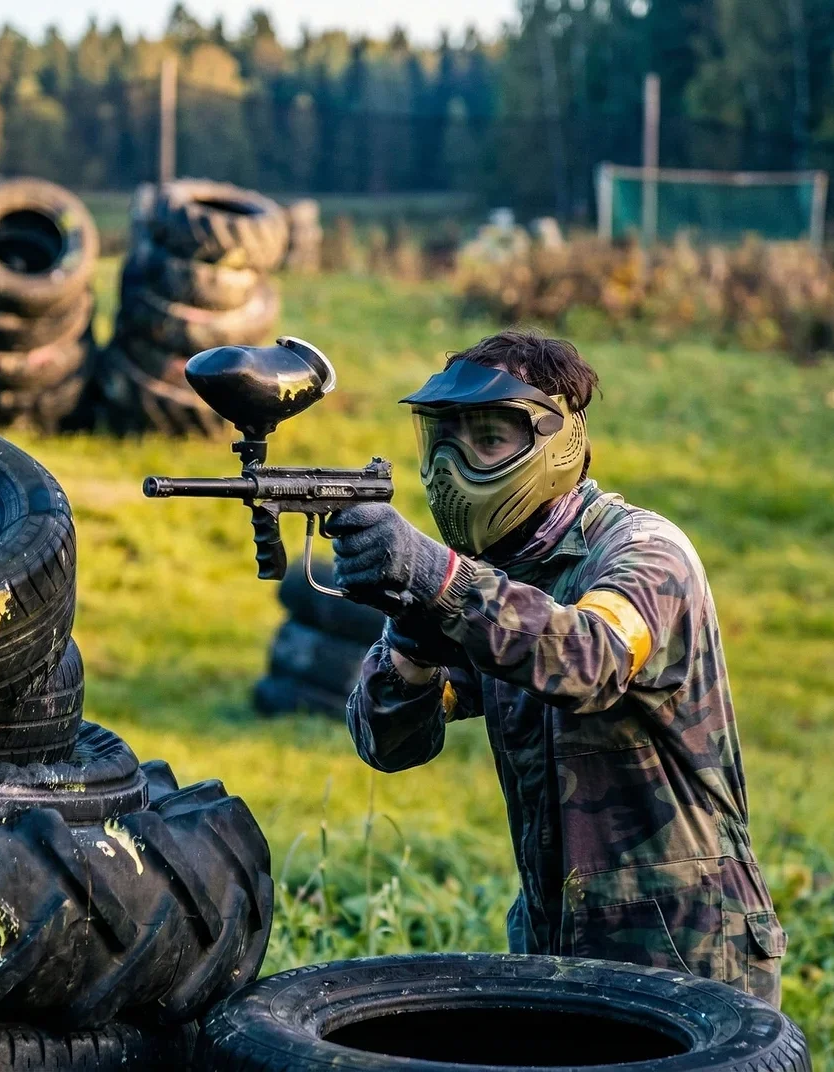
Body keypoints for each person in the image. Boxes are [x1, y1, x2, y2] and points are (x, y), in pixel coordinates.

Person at [324, 329, 786, 1006]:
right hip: (557, 940)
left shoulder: (645, 554)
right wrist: (411, 628)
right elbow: (390, 745)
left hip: (686, 951)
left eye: (488, 440)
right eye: (441, 441)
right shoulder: (491, 582)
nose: (453, 467)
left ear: (559, 440)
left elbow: (587, 658)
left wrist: (438, 577)